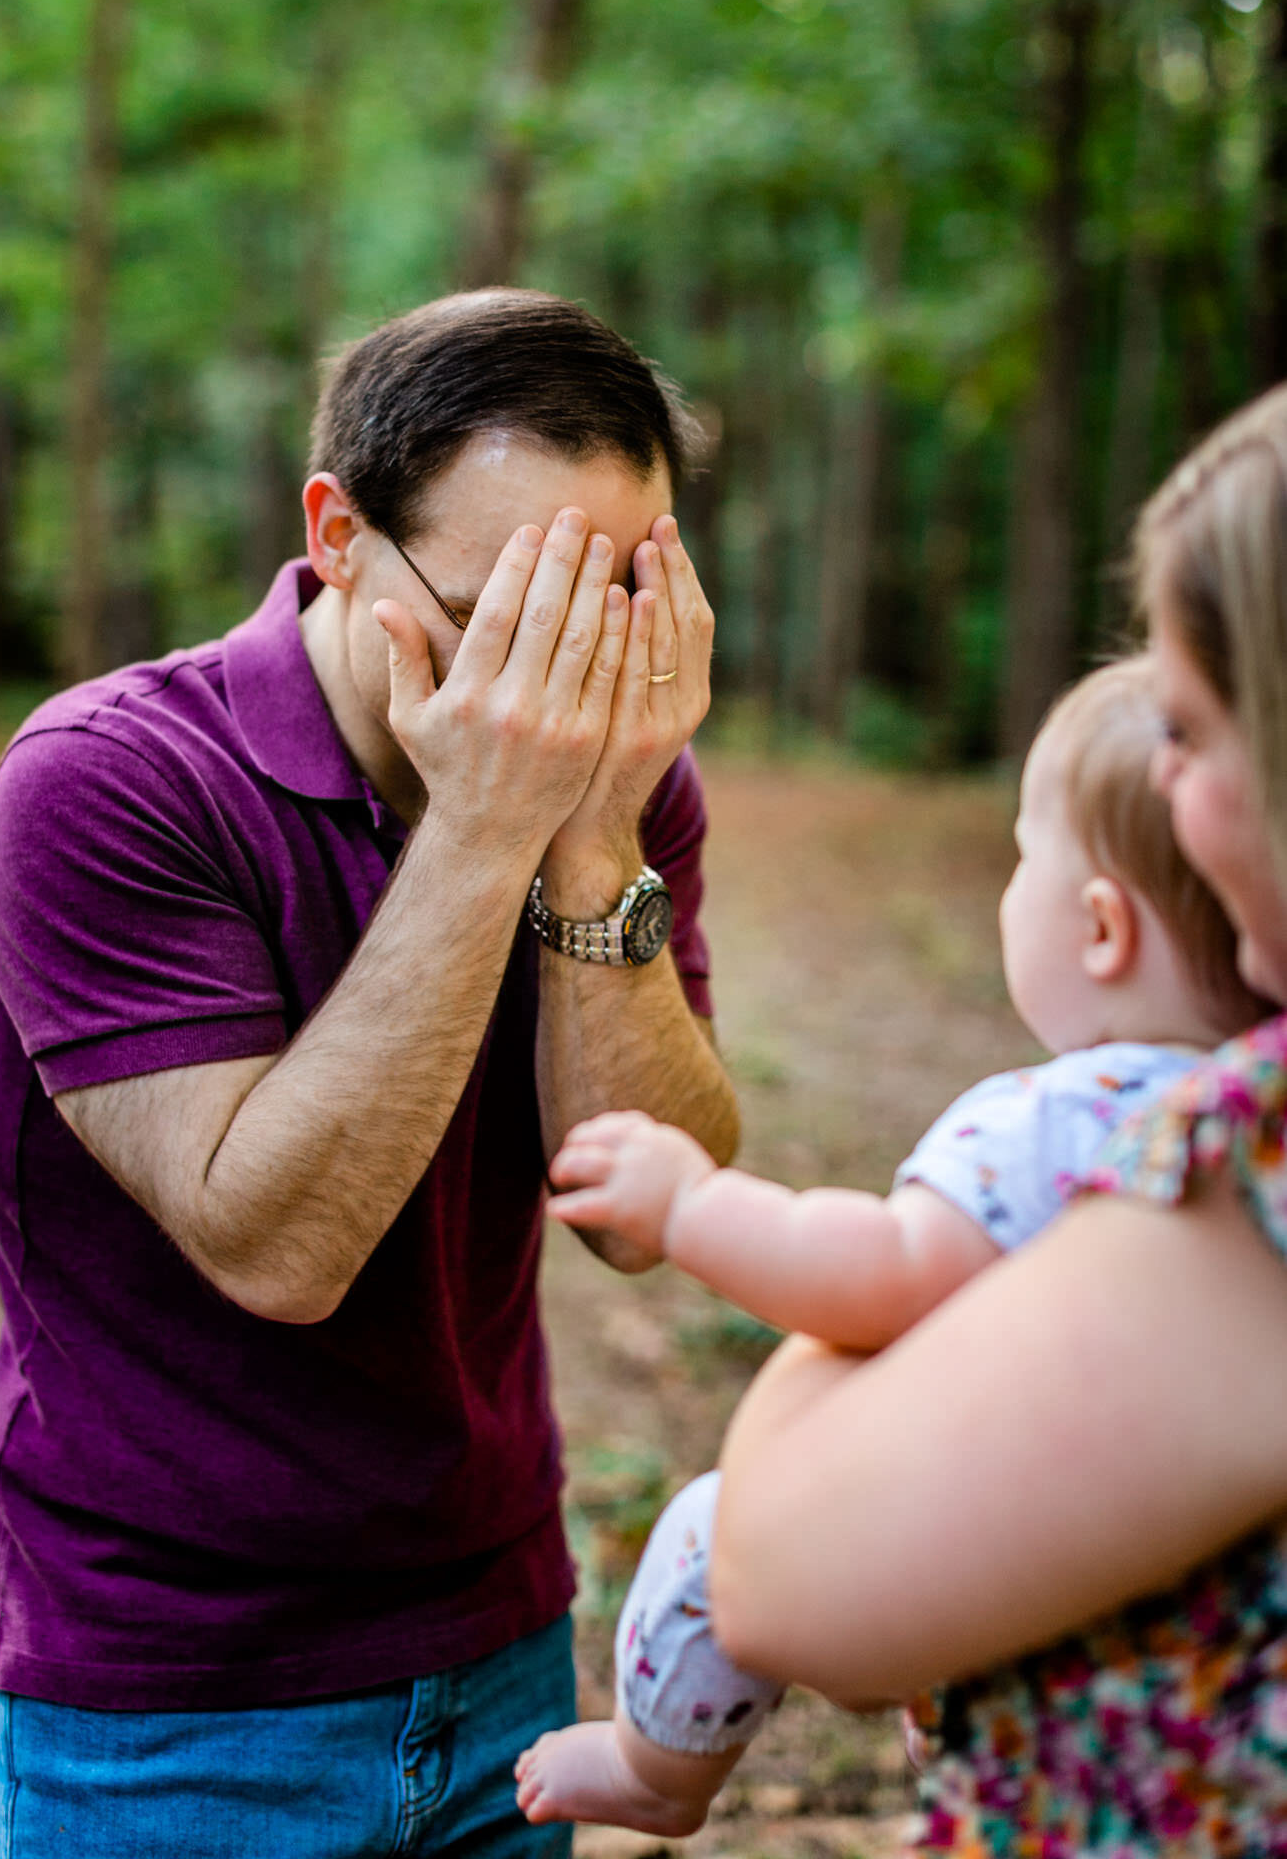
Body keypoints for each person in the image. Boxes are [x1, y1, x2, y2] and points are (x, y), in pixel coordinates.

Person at [0, 288, 740, 1859]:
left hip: (501, 1646)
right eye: (498, 615)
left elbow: (645, 1210)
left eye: (611, 610)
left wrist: (586, 831)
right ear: (336, 533)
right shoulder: (107, 782)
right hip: (168, 1705)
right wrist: (485, 828)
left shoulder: (620, 787)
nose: (554, 684)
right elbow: (280, 1244)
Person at [514, 654, 1263, 1839]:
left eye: (1023, 857)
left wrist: (692, 1206)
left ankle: (660, 1767)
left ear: (1102, 928)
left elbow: (883, 1272)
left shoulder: (1058, 1118)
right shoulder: (1244, 1123)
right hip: (1165, 1628)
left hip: (987, 1516)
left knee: (712, 1527)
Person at [701, 382, 1287, 1854]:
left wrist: (887, 1311)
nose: (1181, 803)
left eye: (1197, 737)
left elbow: (778, 1575)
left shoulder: (1252, 1183)